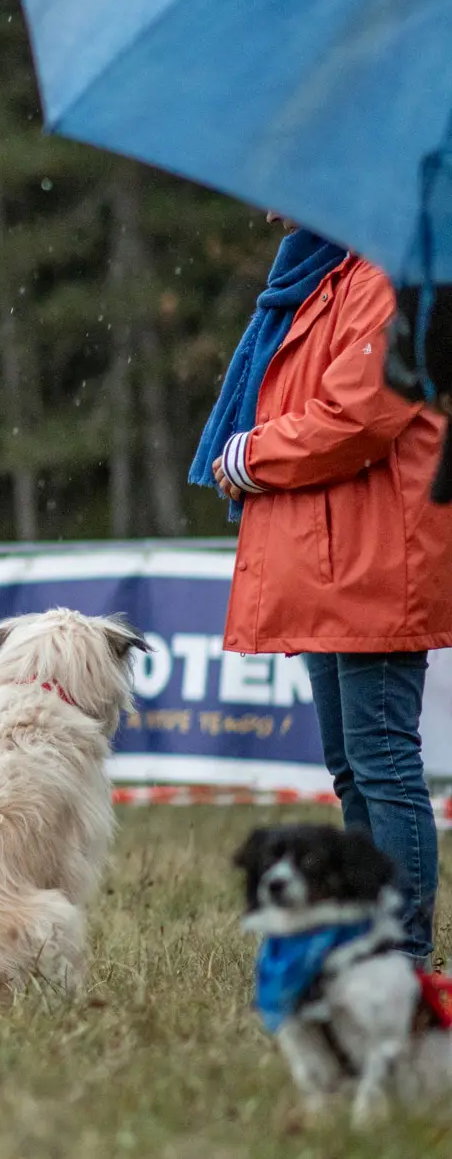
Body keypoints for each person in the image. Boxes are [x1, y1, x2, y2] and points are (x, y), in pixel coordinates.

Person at [190, 220, 452, 964]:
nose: (277, 211)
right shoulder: (330, 274)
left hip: (372, 557)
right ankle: (370, 931)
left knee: (382, 761)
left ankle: (400, 950)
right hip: (335, 556)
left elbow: (361, 414)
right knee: (354, 763)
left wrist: (251, 452)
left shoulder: (392, 273)